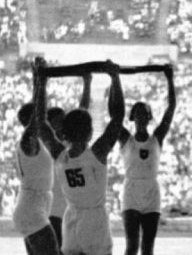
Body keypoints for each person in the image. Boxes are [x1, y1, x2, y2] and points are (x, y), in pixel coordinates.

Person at [37, 58, 124, 255]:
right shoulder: (97, 154)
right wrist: (115, 77)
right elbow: (117, 116)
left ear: (65, 132)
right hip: (95, 225)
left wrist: (40, 81)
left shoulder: (60, 156)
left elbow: (41, 123)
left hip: (72, 222)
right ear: (89, 132)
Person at [115, 65, 176, 255]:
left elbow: (171, 108)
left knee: (148, 247)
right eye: (138, 113)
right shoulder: (126, 139)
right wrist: (115, 79)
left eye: (144, 114)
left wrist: (170, 78)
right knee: (131, 246)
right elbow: (114, 113)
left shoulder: (157, 138)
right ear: (132, 118)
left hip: (151, 191)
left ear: (149, 117)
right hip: (131, 190)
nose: (141, 117)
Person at [12, 64, 60, 255]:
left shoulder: (37, 141)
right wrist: (41, 81)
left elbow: (38, 110)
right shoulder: (28, 141)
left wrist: (38, 79)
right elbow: (38, 114)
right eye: (39, 117)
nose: (44, 118)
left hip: (33, 208)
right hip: (32, 211)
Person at [48, 73, 93, 252]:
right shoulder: (47, 144)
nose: (61, 124)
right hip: (53, 209)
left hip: (72, 207)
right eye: (57, 121)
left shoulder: (71, 142)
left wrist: (87, 83)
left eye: (63, 121)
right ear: (49, 124)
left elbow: (83, 109)